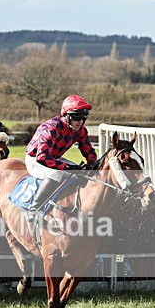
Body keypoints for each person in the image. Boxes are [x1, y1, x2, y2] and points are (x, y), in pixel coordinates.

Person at [25, 94, 98, 223]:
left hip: (54, 158)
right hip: (35, 159)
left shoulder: (80, 130)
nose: (80, 121)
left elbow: (88, 150)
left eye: (83, 117)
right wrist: (68, 167)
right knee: (58, 174)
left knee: (81, 174)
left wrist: (92, 163)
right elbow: (42, 157)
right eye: (76, 117)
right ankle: (33, 209)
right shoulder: (51, 128)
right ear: (66, 116)